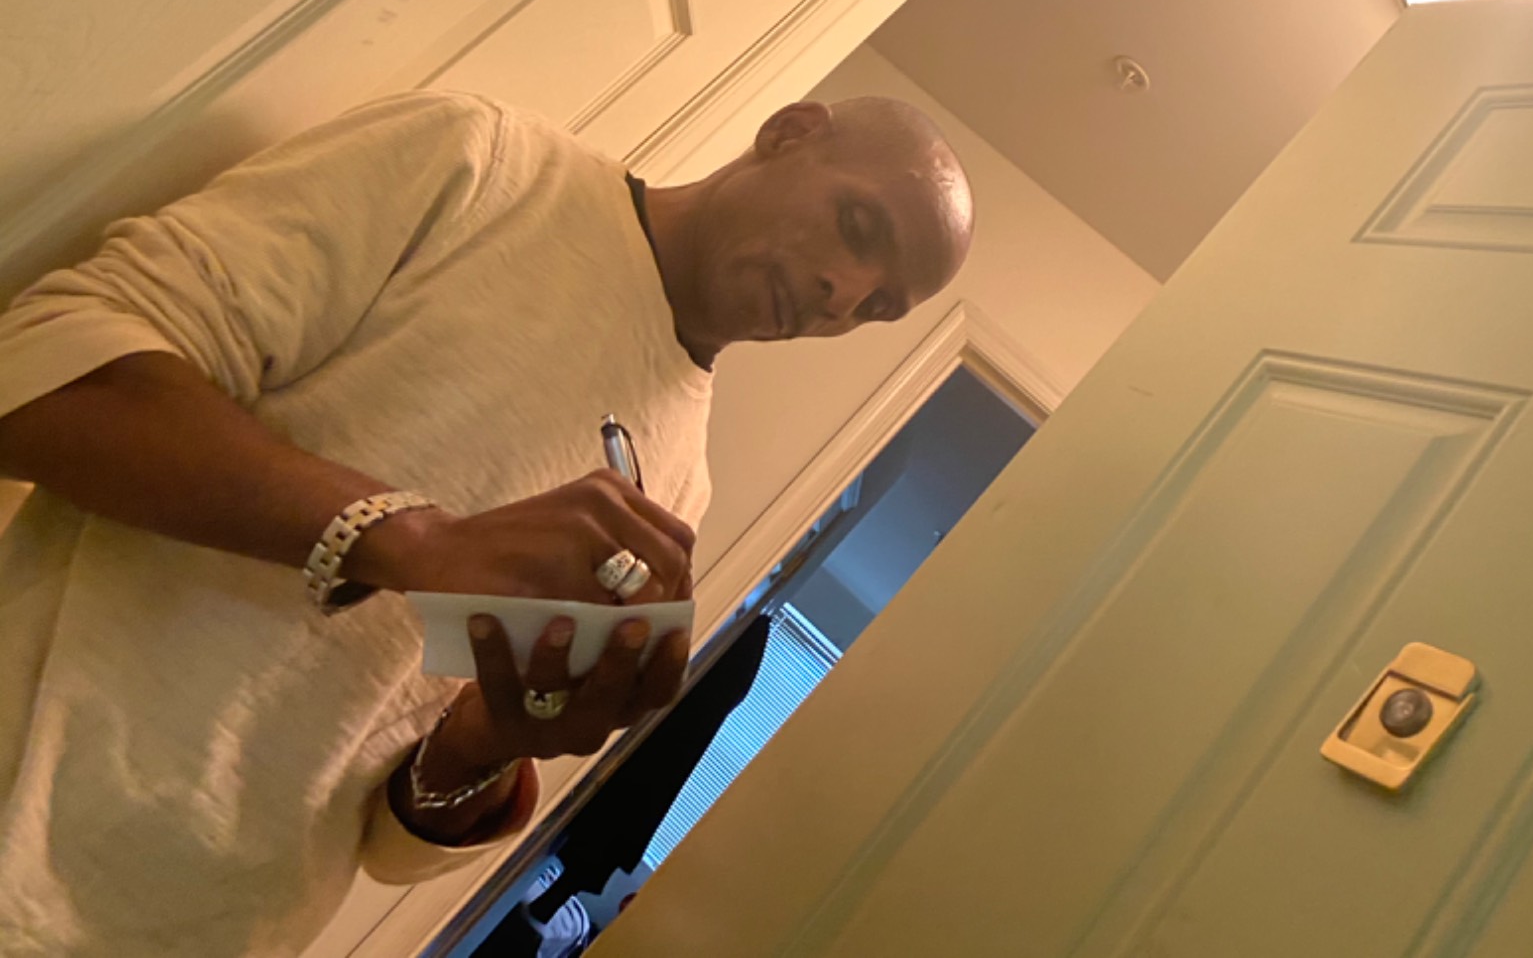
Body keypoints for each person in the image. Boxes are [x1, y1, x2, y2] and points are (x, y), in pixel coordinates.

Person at [0, 89, 975, 958]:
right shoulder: (486, 166)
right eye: (857, 228)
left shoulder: (678, 493)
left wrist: (493, 743)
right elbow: (41, 371)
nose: (842, 297)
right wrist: (411, 541)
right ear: (788, 132)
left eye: (877, 308)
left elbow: (393, 830)